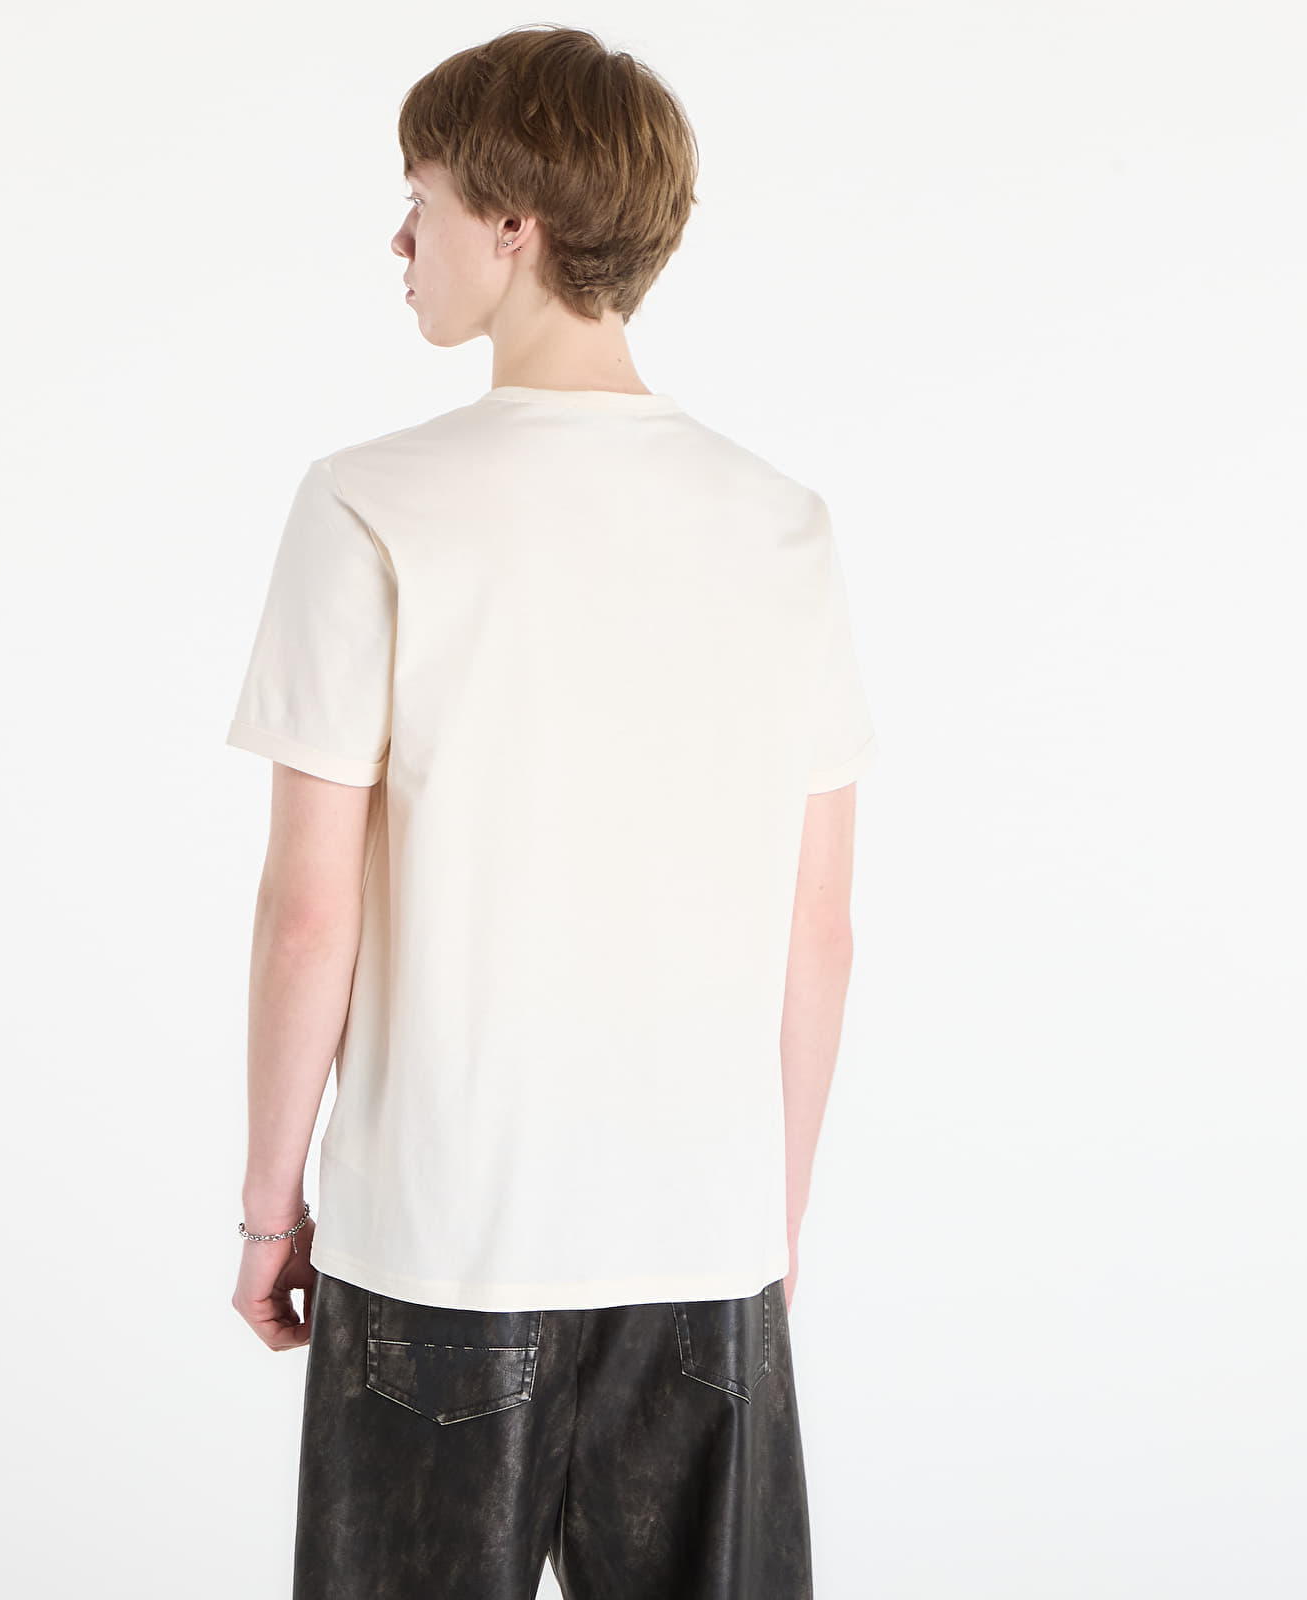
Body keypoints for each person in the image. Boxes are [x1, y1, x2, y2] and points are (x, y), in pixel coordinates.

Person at [224, 24, 877, 1600]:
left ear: (513, 223)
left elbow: (311, 908)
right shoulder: (781, 525)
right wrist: (767, 1225)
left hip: (441, 1241)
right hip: (706, 1249)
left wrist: (267, 1211)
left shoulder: (371, 502)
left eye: (422, 201)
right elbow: (820, 930)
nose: (401, 241)